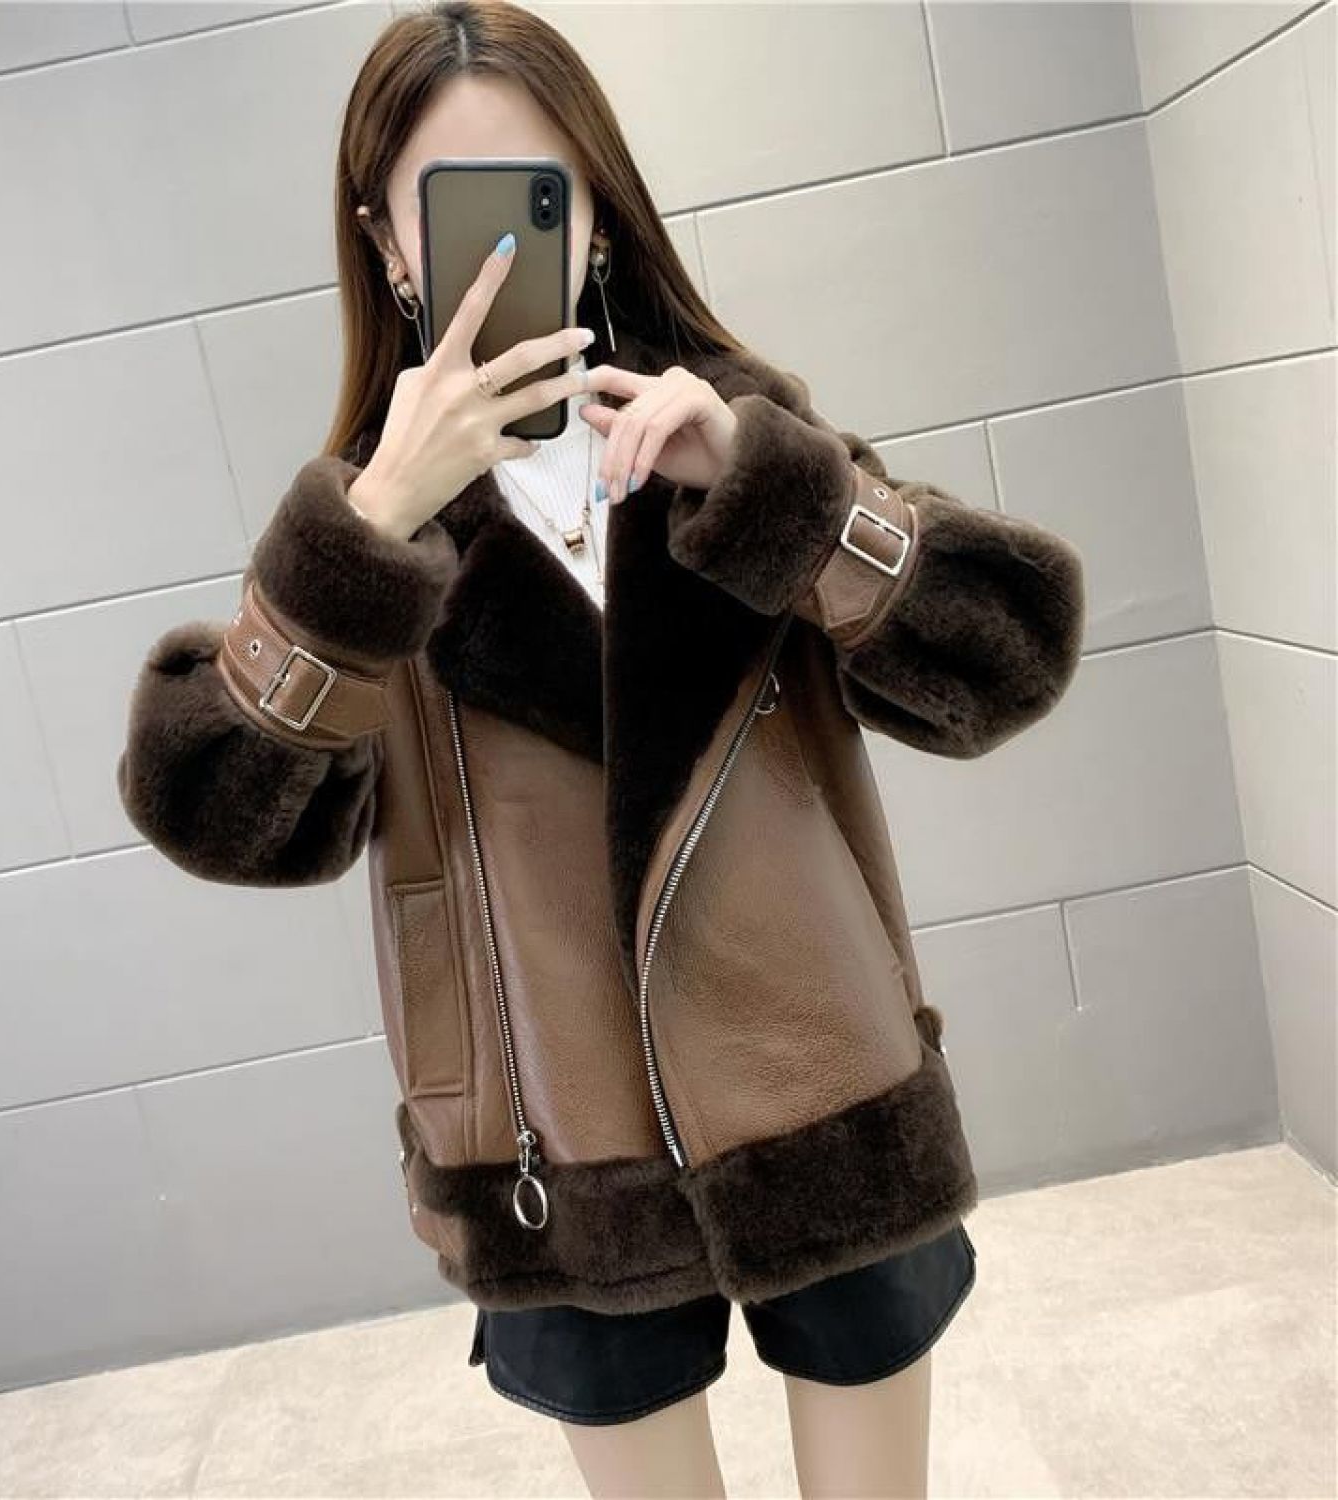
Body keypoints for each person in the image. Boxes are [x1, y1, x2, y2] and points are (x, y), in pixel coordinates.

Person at [116, 3, 1086, 1494]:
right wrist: (369, 534)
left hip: (822, 1098)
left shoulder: (738, 440)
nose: (505, 251)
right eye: (454, 209)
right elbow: (220, 812)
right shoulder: (363, 534)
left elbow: (1007, 658)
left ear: (600, 210)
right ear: (387, 245)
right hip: (555, 1157)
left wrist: (780, 497)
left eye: (541, 195)